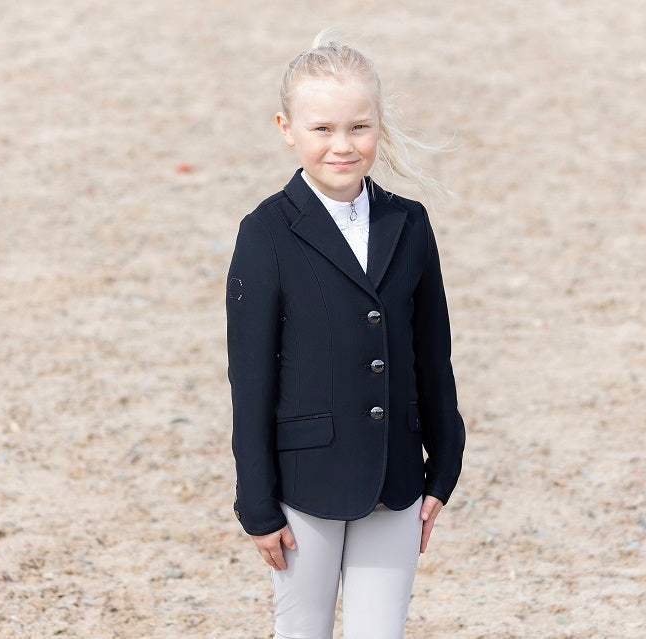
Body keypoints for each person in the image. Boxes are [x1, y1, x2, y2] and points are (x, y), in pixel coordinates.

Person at [226, 32, 465, 639]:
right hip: (303, 483)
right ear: (287, 129)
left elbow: (432, 353)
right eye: (322, 129)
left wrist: (445, 465)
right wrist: (256, 503)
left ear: (379, 124)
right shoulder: (264, 233)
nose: (342, 145)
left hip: (398, 478)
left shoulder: (409, 222)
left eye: (359, 127)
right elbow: (250, 378)